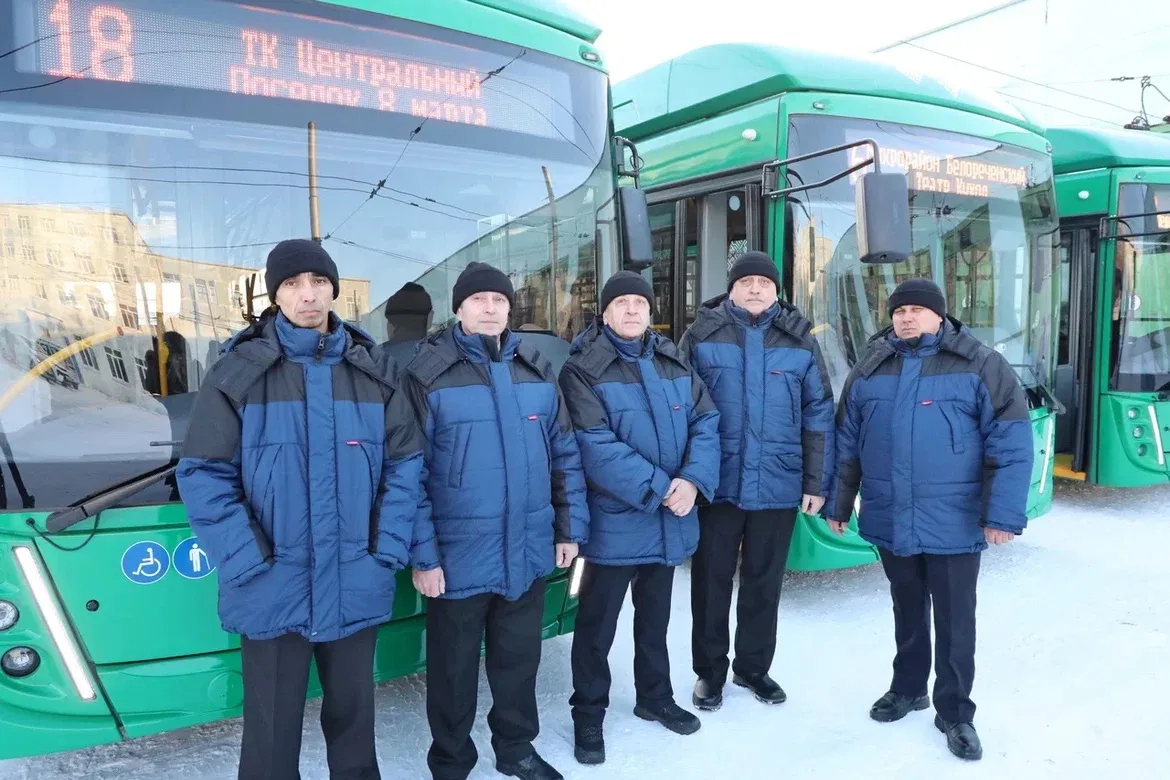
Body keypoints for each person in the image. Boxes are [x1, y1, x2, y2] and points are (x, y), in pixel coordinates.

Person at [176, 239, 429, 780]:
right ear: (275, 295)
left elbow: (405, 466)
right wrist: (248, 562)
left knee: (354, 725)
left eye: (318, 282)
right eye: (292, 284)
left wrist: (383, 553)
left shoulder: (375, 372)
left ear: (334, 289)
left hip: (355, 575)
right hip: (271, 583)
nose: (307, 294)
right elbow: (203, 474)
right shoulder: (238, 373)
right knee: (270, 735)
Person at [824, 277, 1034, 761]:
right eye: (899, 311)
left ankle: (955, 712)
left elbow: (1011, 443)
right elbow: (846, 442)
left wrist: (1002, 515)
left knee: (956, 619)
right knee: (907, 607)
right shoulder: (871, 367)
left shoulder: (980, 363)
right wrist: (839, 503)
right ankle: (908, 688)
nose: (906, 317)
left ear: (939, 315)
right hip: (891, 514)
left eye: (917, 310)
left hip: (954, 519)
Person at [401, 261, 589, 780]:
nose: (490, 308)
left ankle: (516, 749)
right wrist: (423, 556)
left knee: (519, 661)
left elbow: (565, 456)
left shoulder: (536, 370)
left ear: (510, 308)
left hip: (526, 549)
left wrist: (568, 529)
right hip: (458, 557)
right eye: (478, 299)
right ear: (459, 309)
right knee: (453, 671)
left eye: (499, 300)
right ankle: (451, 762)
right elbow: (407, 473)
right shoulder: (426, 374)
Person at [558, 271, 721, 766]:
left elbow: (706, 420)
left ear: (651, 311)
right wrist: (661, 488)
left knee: (655, 619)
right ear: (605, 313)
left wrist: (692, 480)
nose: (632, 310)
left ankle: (655, 696)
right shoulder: (582, 369)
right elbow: (593, 444)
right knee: (597, 627)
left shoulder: (672, 360)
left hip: (667, 519)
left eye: (640, 303)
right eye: (621, 303)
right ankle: (589, 713)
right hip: (614, 525)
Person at [678, 250, 836, 712]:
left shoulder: (799, 339)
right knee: (710, 581)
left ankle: (753, 668)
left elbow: (818, 412)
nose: (754, 289)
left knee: (764, 582)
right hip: (716, 484)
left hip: (777, 483)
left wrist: (815, 481)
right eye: (745, 282)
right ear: (730, 289)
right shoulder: (701, 334)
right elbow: (680, 407)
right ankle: (709, 672)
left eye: (763, 283)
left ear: (776, 290)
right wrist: (687, 475)